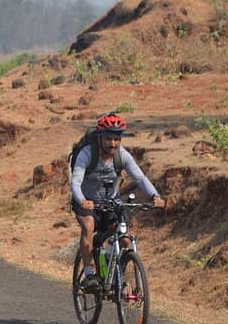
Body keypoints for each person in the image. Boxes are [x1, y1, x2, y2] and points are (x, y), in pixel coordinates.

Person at [70, 111, 165, 290]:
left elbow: (140, 178)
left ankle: (114, 273)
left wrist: (155, 196)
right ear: (100, 138)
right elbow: (75, 181)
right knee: (88, 226)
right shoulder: (87, 153)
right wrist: (82, 200)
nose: (112, 144)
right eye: (108, 139)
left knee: (125, 239)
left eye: (116, 139)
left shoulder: (122, 156)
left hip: (111, 202)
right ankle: (90, 274)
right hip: (86, 202)